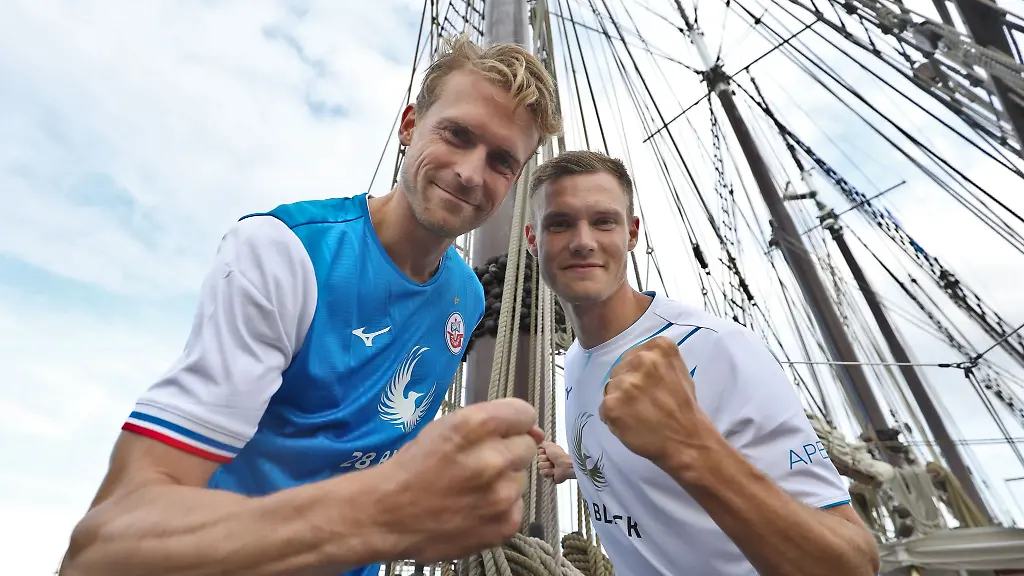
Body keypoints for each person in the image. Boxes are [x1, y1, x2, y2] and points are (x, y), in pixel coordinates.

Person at [59, 35, 563, 576]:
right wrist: (384, 514)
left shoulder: (462, 297)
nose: (470, 172)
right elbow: (105, 546)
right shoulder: (285, 256)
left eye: (501, 161)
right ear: (410, 125)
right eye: (456, 134)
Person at [526, 150, 881, 575]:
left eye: (604, 221)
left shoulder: (715, 349)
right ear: (533, 238)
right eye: (560, 223)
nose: (583, 240)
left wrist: (689, 447)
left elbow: (853, 564)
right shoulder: (577, 359)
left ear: (632, 232)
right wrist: (576, 466)